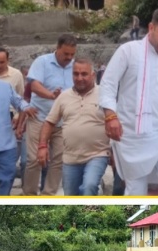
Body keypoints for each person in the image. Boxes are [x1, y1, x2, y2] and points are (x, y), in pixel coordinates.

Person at [100, 6, 158, 196]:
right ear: (151, 27)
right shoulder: (128, 51)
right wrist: (110, 116)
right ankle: (137, 223)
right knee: (135, 189)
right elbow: (108, 84)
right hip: (134, 134)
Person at [37, 58, 110, 196]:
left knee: (89, 186)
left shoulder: (105, 95)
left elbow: (115, 122)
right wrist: (42, 146)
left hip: (98, 154)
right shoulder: (63, 97)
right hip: (70, 158)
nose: (79, 78)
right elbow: (49, 122)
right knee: (70, 195)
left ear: (93, 75)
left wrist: (116, 153)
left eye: (84, 74)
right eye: (76, 74)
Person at [23, 34, 77, 196]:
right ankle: (30, 195)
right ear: (57, 48)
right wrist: (51, 95)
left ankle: (48, 194)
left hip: (62, 123)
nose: (69, 58)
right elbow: (34, 85)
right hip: (39, 118)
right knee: (33, 160)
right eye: (65, 54)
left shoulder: (75, 67)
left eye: (72, 54)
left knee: (59, 161)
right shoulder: (42, 62)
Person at [0, 81, 33, 195]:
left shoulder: (5, 86)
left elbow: (19, 102)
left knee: (7, 177)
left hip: (5, 143)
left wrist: (27, 108)